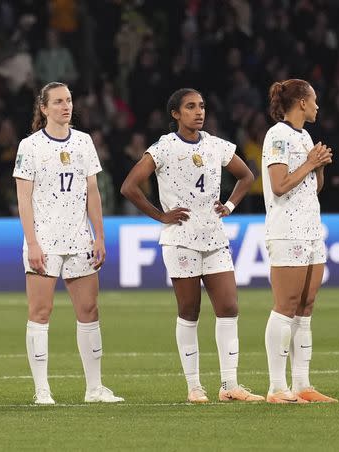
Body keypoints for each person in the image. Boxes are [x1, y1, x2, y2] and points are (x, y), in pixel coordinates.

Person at [120, 88, 263, 403]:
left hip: (214, 236)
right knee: (189, 310)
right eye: (190, 107)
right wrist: (161, 216)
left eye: (201, 106)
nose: (199, 112)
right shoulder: (164, 147)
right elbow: (129, 186)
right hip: (181, 239)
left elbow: (247, 176)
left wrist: (230, 205)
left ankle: (229, 386)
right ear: (175, 114)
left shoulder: (215, 144)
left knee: (228, 307)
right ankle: (195, 387)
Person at [13, 81, 123, 405]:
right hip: (44, 241)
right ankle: (42, 390)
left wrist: (99, 235)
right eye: (59, 101)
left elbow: (93, 191)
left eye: (69, 100)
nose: (66, 106)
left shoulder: (84, 142)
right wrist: (32, 243)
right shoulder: (29, 146)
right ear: (44, 108)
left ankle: (94, 388)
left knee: (89, 310)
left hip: (79, 239)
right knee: (41, 312)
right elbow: (23, 198)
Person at [261, 79, 336, 403]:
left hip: (310, 229)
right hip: (286, 230)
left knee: (305, 308)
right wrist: (310, 163)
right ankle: (277, 387)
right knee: (285, 306)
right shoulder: (277, 135)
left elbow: (310, 188)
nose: (318, 106)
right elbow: (279, 185)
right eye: (314, 100)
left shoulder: (303, 136)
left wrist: (318, 168)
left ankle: (302, 385)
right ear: (302, 103)